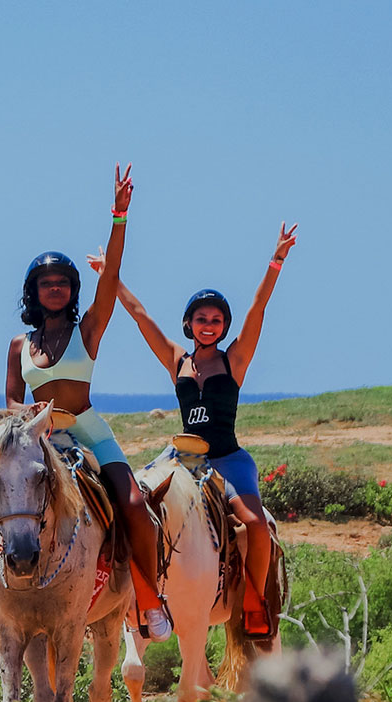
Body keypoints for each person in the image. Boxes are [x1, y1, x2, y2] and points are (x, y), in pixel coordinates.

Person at [0, 165, 171, 641]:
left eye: (63, 282)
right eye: (47, 283)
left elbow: (112, 279)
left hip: (87, 431)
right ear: (34, 293)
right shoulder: (18, 346)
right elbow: (11, 402)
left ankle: (149, 601)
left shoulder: (89, 330)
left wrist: (119, 217)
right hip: (37, 440)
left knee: (133, 504)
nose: (56, 288)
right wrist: (26, 423)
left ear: (73, 290)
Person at [103, 222, 298, 637]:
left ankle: (254, 601)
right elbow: (139, 315)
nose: (209, 324)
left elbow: (258, 309)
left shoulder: (234, 360)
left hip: (227, 459)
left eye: (216, 320)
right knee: (131, 502)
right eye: (201, 318)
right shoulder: (177, 360)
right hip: (183, 457)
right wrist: (110, 277)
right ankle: (134, 595)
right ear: (188, 324)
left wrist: (276, 261)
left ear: (224, 326)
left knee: (256, 525)